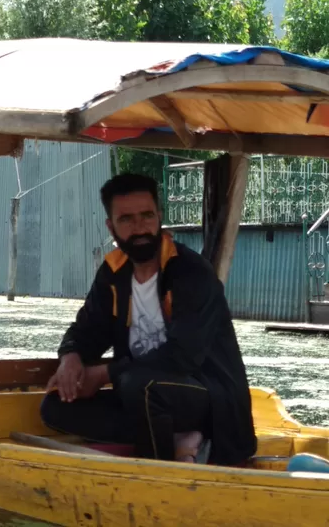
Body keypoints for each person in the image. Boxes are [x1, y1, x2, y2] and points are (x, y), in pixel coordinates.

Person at [40, 173, 257, 466]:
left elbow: (183, 356)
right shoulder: (113, 273)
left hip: (210, 399)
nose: (140, 227)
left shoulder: (192, 272)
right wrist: (70, 357)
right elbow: (87, 330)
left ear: (160, 217)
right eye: (127, 219)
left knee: (139, 384)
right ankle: (179, 437)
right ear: (111, 226)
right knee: (55, 406)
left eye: (147, 216)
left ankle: (162, 469)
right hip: (143, 395)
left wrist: (105, 374)